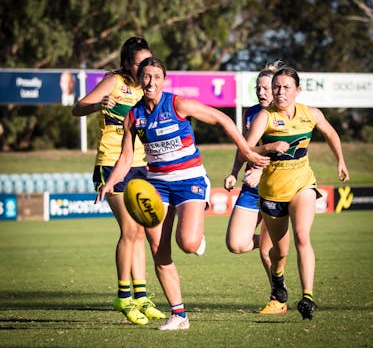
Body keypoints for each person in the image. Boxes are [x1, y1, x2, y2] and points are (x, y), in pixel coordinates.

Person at [96, 57, 270, 330]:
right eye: (146, 76)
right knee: (158, 250)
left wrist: (247, 151)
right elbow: (126, 157)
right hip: (157, 185)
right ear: (140, 80)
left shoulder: (178, 104)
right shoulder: (133, 116)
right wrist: (110, 182)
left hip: (190, 180)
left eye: (156, 76)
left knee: (187, 243)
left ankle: (195, 237)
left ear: (163, 80)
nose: (150, 81)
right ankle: (179, 315)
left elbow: (221, 118)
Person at [72, 37, 165, 325]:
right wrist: (99, 102)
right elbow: (78, 107)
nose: (146, 68)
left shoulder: (148, 88)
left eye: (150, 62)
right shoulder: (113, 81)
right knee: (130, 229)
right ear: (127, 63)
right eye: (140, 63)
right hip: (111, 163)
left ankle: (141, 297)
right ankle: (123, 296)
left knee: (140, 232)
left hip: (141, 165)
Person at [245, 65, 349, 320]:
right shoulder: (264, 117)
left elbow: (331, 133)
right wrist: (268, 146)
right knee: (278, 253)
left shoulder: (310, 114)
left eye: (286, 88)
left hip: (303, 185)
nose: (280, 92)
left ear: (298, 91)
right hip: (272, 192)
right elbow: (245, 150)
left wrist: (341, 161)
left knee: (302, 235)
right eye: (276, 87)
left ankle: (308, 297)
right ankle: (278, 278)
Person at [224, 62, 291, 315]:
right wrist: (233, 172)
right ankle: (281, 246)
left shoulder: (285, 116)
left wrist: (262, 169)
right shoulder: (251, 113)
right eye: (258, 88)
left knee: (265, 250)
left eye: (266, 88)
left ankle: (278, 298)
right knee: (236, 243)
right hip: (251, 188)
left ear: (277, 90)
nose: (261, 92)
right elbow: (245, 147)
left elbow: (288, 152)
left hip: (278, 186)